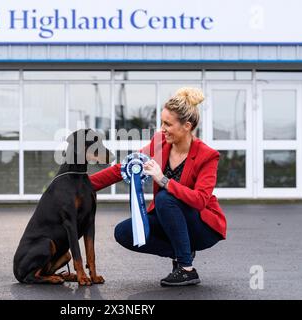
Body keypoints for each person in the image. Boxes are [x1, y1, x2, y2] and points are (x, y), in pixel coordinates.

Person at [89, 87, 227, 286]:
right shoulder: (159, 142)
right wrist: (86, 185)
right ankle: (182, 251)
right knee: (124, 232)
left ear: (187, 126)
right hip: (169, 218)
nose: (162, 128)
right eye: (162, 122)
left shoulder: (207, 156)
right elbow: (126, 166)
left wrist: (164, 180)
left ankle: (186, 268)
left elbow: (200, 200)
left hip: (202, 226)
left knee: (164, 196)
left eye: (167, 124)